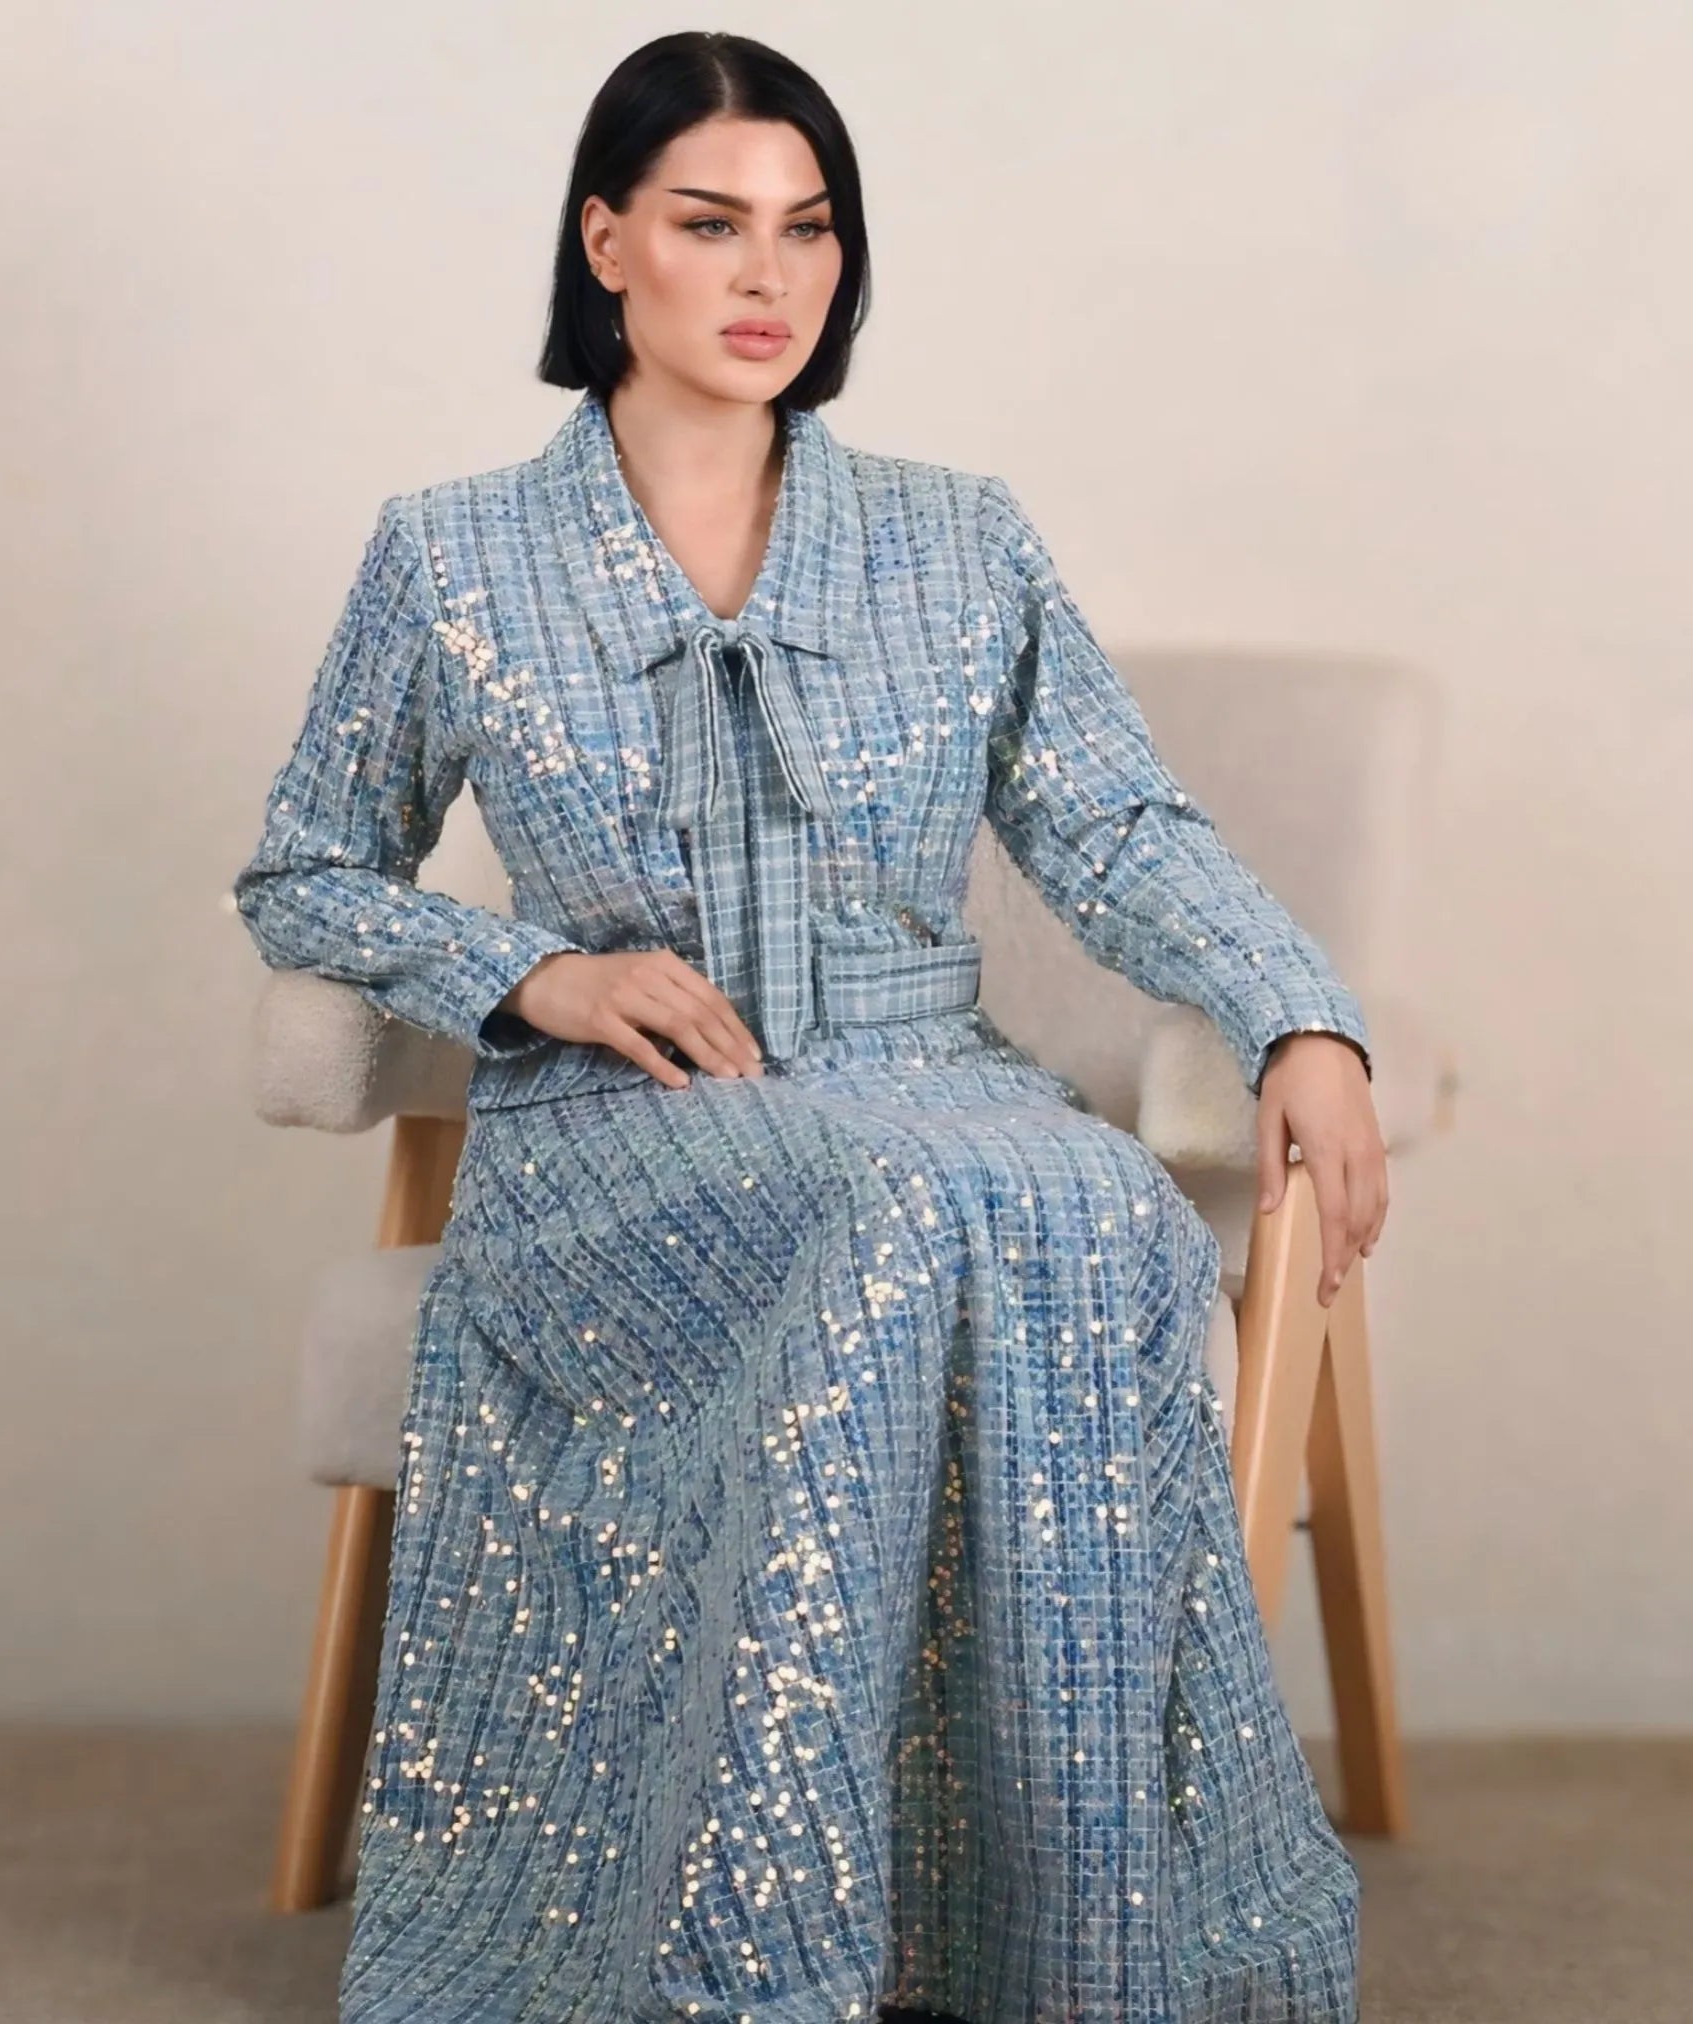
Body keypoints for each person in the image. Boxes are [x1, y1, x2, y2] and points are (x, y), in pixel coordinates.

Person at [233, 29, 1388, 2024]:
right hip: (621, 1138)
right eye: (707, 226)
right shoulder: (453, 556)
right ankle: (756, 1947)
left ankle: (1049, 1939)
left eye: (807, 231)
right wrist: (530, 976)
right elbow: (304, 868)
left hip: (928, 1083)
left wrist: (1299, 1015)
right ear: (607, 244)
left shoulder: (962, 538)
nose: (766, 278)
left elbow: (1109, 823)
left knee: (1091, 1209)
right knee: (893, 1214)